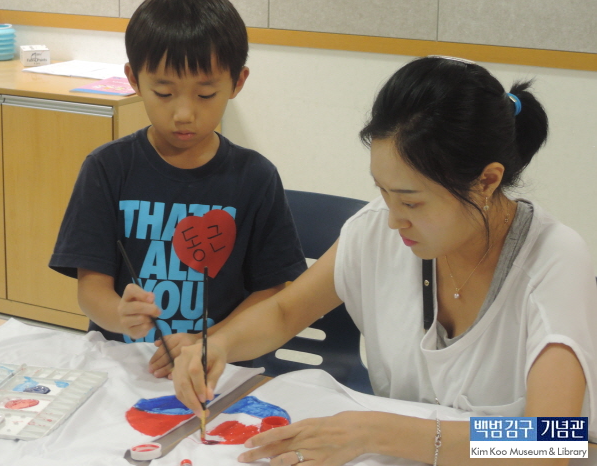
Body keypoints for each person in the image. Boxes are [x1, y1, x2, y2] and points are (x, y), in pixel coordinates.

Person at [173, 56, 597, 465]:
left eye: (412, 202)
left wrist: (376, 433)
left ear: (486, 181)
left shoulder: (553, 260)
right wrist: (218, 344)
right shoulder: (378, 228)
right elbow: (285, 312)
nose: (393, 219)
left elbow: (550, 444)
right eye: (382, 191)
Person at [49, 0, 306, 378]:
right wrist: (119, 314)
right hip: (124, 368)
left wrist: (209, 342)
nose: (184, 113)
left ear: (237, 82)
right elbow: (91, 288)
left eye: (206, 94)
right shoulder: (107, 168)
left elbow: (271, 291)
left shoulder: (255, 177)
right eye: (164, 92)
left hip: (218, 369)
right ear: (134, 79)